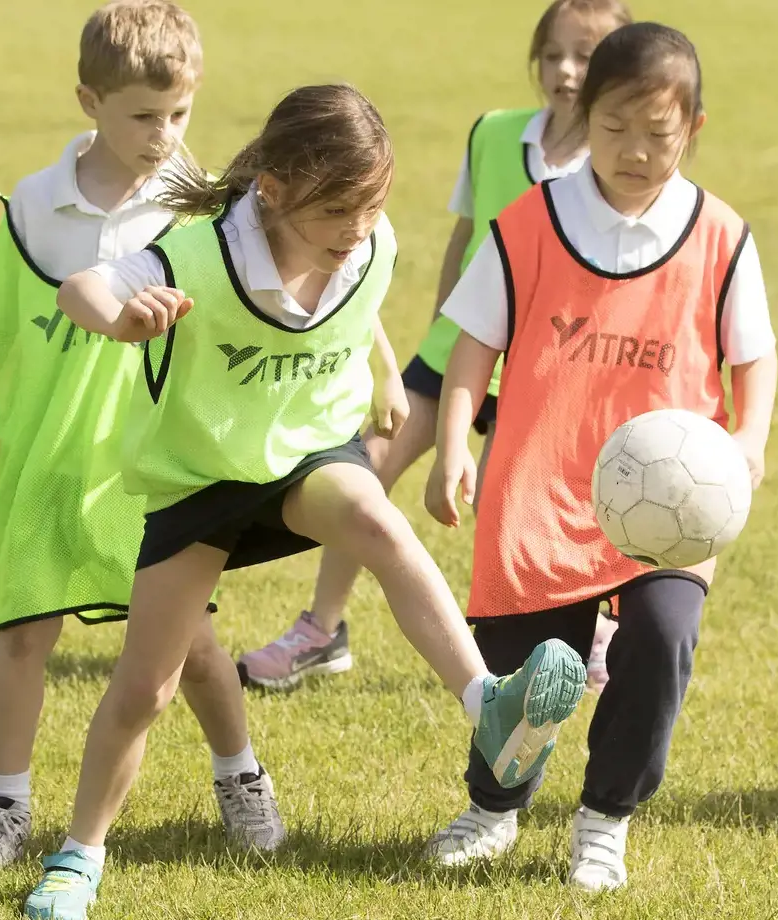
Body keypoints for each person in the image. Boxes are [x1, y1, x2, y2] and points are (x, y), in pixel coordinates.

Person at [22, 82, 587, 920]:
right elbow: (82, 287)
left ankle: (490, 704)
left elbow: (358, 300)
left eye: (372, 206)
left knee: (373, 521)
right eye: (339, 212)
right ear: (274, 192)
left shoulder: (364, 238)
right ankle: (79, 856)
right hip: (196, 474)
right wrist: (123, 316)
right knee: (146, 687)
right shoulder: (202, 252)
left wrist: (387, 370)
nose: (357, 229)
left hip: (302, 453)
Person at [0, 0, 279, 870]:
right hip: (47, 460)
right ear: (89, 100)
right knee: (24, 635)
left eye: (180, 114)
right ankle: (5, 804)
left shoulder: (198, 204)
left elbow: (272, 298)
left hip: (151, 467)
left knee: (189, 646)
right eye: (144, 116)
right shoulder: (35, 206)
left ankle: (241, 774)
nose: (165, 135)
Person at [423, 21, 778, 892]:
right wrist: (450, 447)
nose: (634, 152)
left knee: (661, 641)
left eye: (658, 136)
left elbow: (753, 355)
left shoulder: (721, 236)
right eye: (615, 130)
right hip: (539, 489)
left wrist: (751, 442)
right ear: (584, 114)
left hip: (671, 504)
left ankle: (604, 820)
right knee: (522, 667)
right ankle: (495, 807)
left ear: (692, 128)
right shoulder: (531, 221)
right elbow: (472, 344)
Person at [237, 0, 633, 694]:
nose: (567, 71)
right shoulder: (493, 133)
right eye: (553, 55)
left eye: (586, 56)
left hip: (548, 369)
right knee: (370, 466)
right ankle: (320, 631)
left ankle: (594, 628)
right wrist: (441, 325)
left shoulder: (614, 164)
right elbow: (464, 235)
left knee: (551, 504)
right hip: (459, 348)